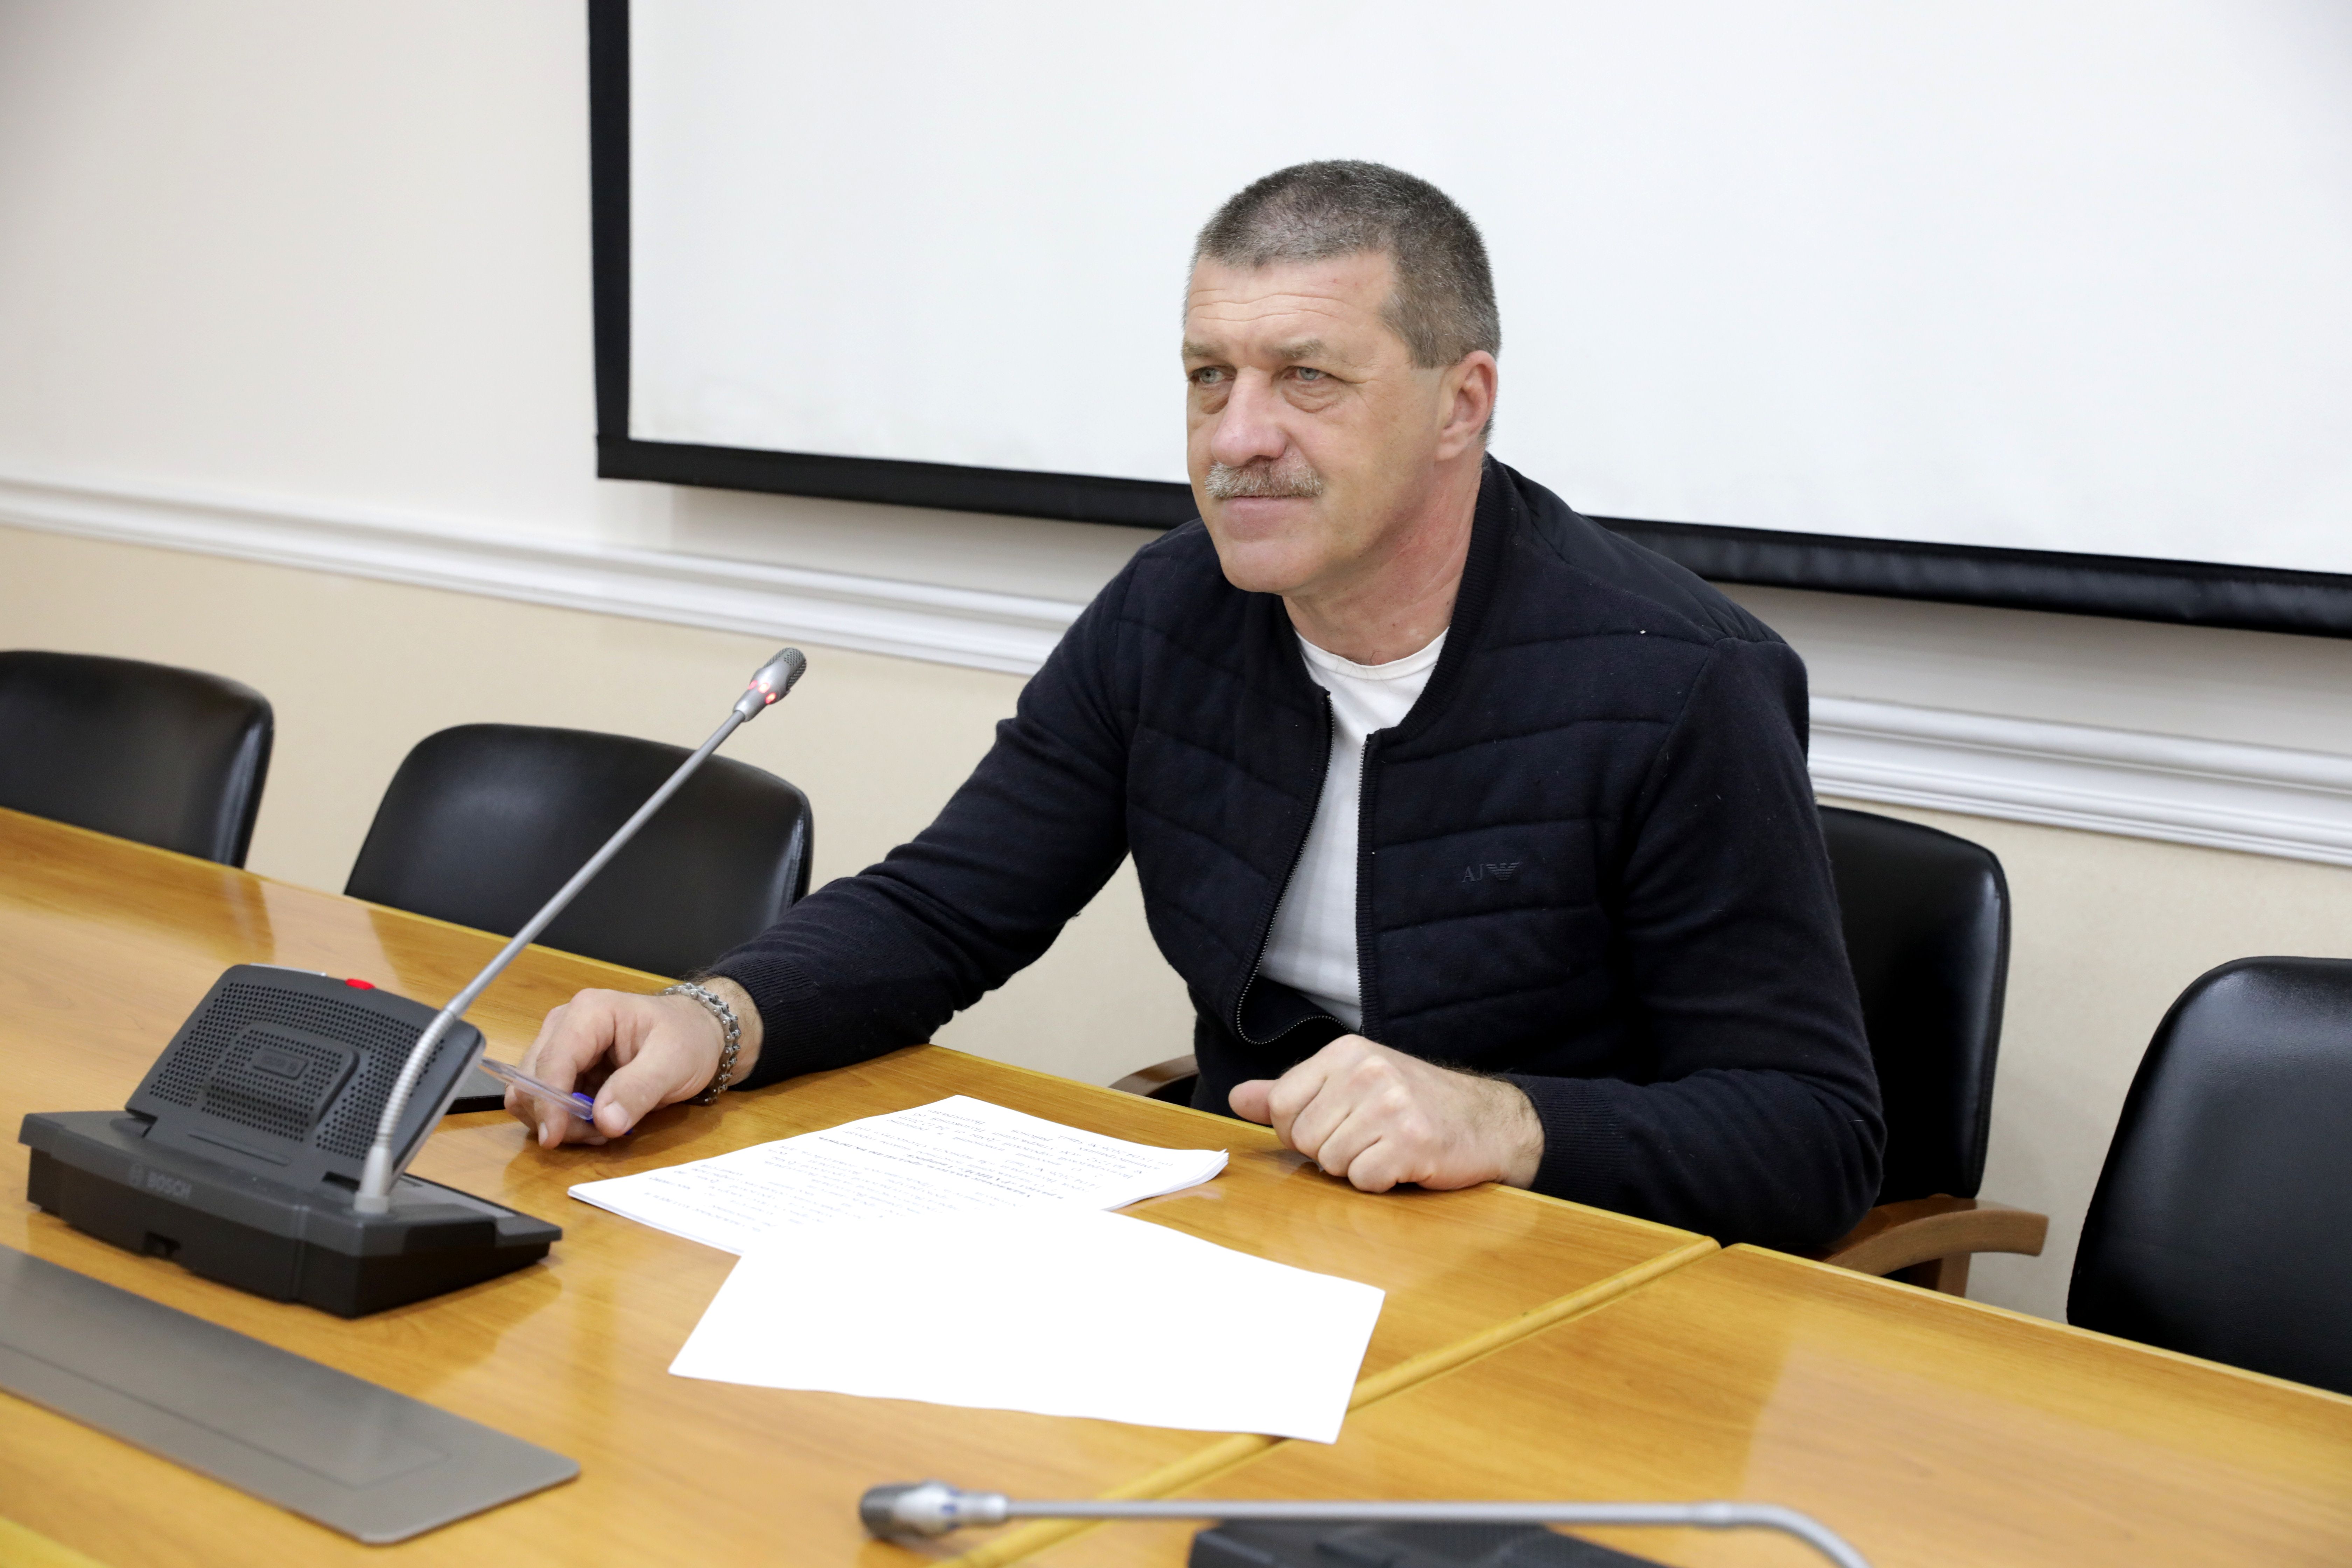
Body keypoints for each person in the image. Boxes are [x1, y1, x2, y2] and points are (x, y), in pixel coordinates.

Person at [511, 161, 1883, 1249]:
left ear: (1461, 404)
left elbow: (1813, 1134)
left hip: (1568, 1280)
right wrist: (715, 1020)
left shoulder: (1674, 679)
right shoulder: (1171, 611)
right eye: (1209, 376)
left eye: (1309, 377)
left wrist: (1512, 1123)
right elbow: (947, 908)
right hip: (1262, 1239)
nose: (1237, 437)